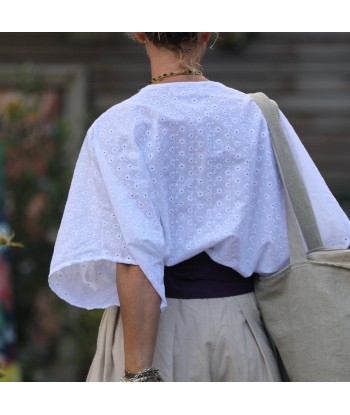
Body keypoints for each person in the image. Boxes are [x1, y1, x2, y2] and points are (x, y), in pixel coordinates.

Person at [48, 32, 350, 382]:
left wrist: (138, 374)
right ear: (207, 32)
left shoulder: (119, 126)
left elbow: (135, 262)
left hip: (152, 334)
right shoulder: (257, 116)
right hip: (244, 331)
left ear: (138, 31)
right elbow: (327, 235)